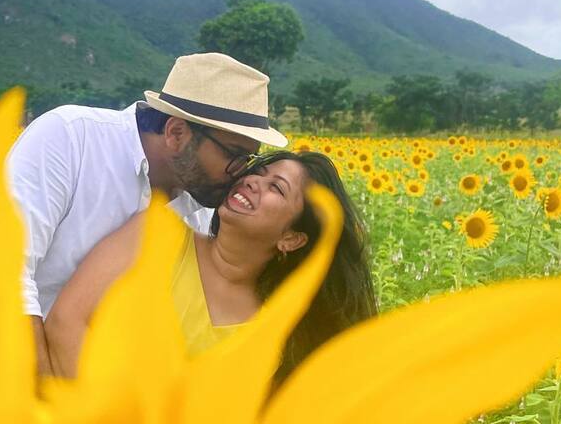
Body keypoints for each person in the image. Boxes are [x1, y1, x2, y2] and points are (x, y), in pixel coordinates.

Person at [0, 52, 288, 424]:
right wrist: (56, 402)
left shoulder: (197, 212)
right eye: (234, 156)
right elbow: (5, 275)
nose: (241, 174)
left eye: (250, 159)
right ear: (176, 133)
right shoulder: (70, 139)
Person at [45, 150, 377, 405]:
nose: (252, 182)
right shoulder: (157, 234)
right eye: (256, 173)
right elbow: (65, 323)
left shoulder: (269, 334)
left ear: (291, 239)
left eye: (276, 187)